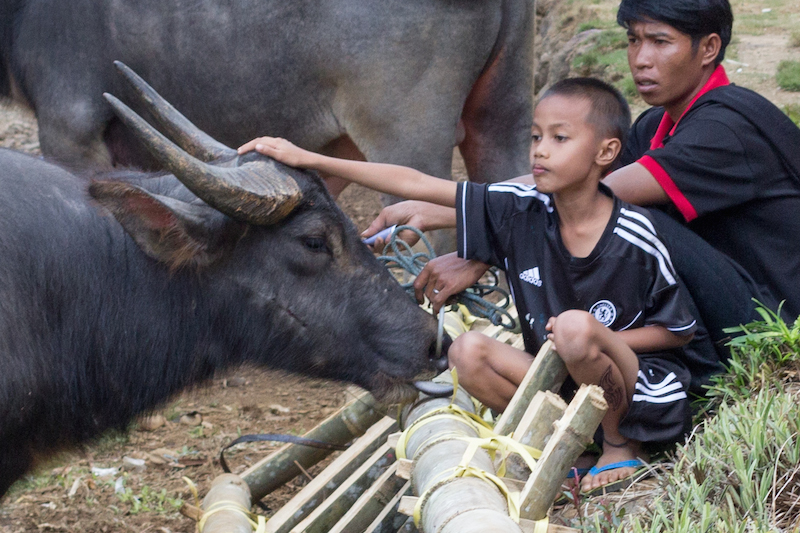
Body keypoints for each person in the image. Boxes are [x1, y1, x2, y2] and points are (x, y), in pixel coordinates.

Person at [239, 78, 699, 493]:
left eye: (560, 138)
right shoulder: (520, 208)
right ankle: (575, 447)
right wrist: (308, 159)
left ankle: (620, 445)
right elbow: (417, 183)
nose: (540, 150)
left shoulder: (633, 235)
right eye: (536, 136)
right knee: (467, 353)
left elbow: (678, 331)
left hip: (641, 390)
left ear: (605, 153)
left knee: (578, 330)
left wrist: (592, 341)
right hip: (559, 372)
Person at [365, 0, 800, 355]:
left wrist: (457, 229)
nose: (641, 59)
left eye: (660, 42)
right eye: (634, 40)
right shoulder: (654, 127)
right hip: (735, 299)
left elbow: (595, 196)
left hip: (774, 321)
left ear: (707, 49)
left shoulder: (725, 127)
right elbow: (560, 183)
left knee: (626, 221)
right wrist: (451, 219)